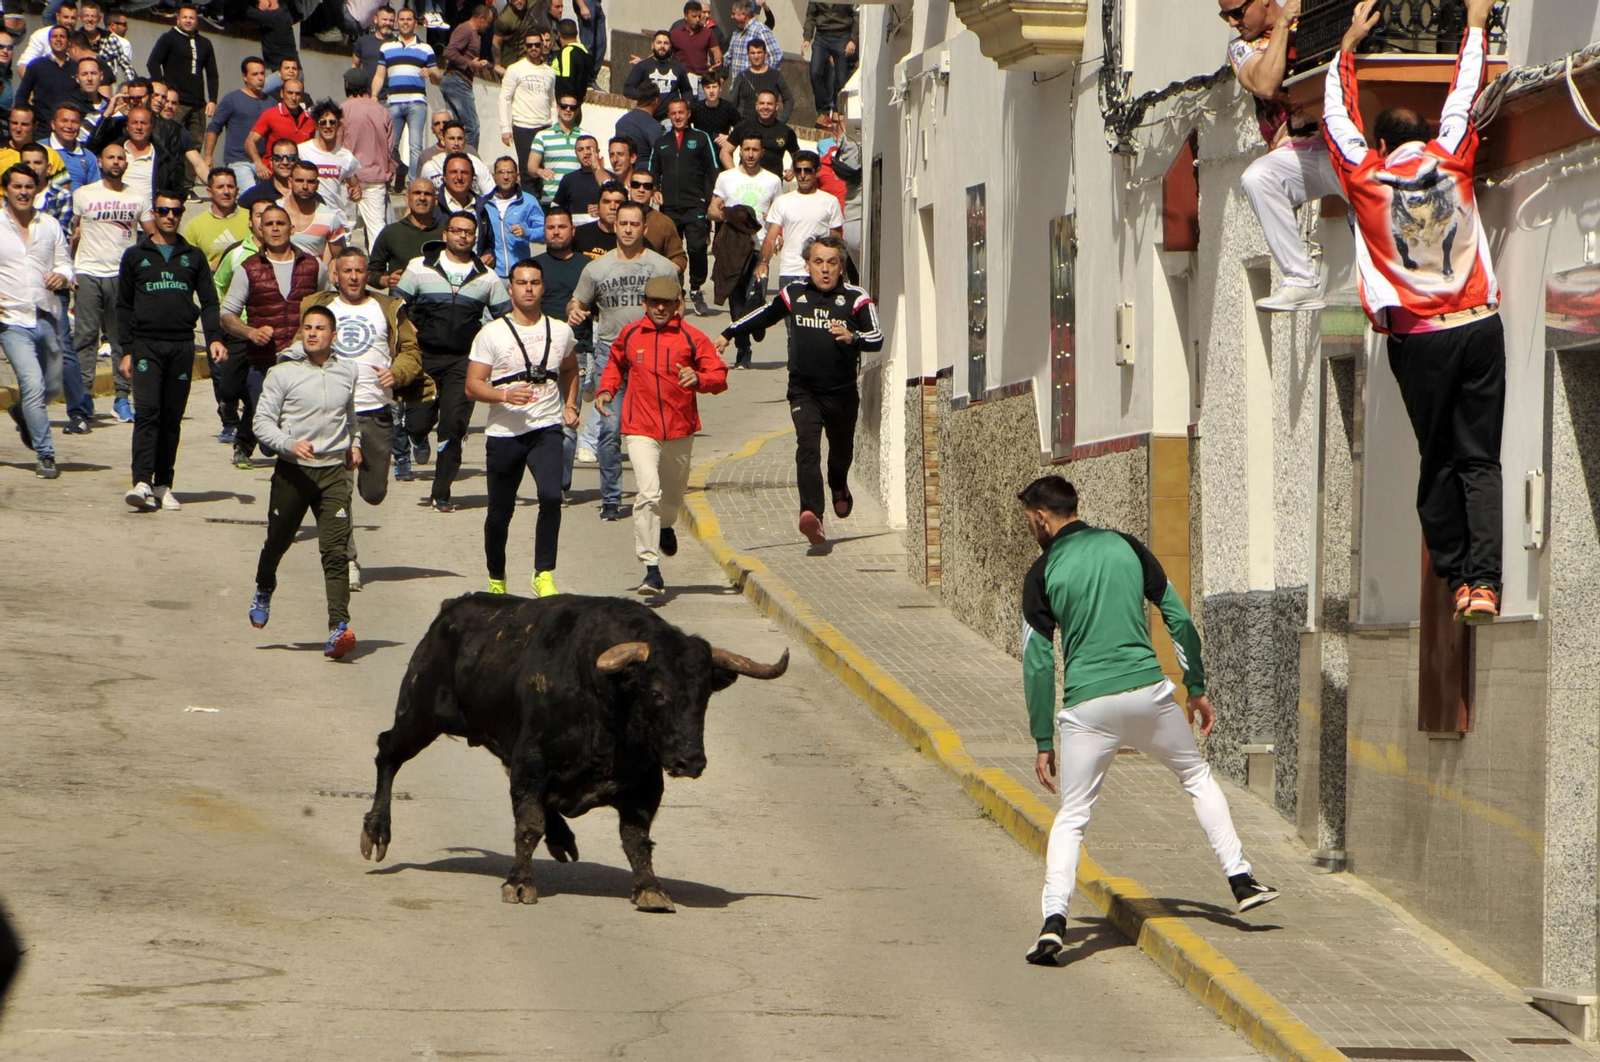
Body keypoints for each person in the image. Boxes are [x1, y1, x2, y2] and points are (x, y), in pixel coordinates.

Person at [1013, 474, 1279, 965]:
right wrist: (1194, 687)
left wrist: (1042, 737)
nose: (1030, 526)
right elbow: (1178, 618)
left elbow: (1036, 662)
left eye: (1029, 518)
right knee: (1196, 777)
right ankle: (1241, 880)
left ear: (1043, 517)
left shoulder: (1042, 570)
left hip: (1087, 708)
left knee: (1072, 818)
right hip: (1148, 695)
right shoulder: (1128, 547)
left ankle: (1054, 923)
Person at [1324, 0, 1503, 621]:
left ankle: (1456, 577)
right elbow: (1464, 94)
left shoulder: (1367, 178)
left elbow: (1334, 118)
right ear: (1423, 134)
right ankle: (1486, 584)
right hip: (1481, 325)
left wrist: (1345, 46)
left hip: (1421, 339)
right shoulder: (1452, 154)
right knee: (1480, 459)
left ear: (1380, 142)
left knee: (1438, 459)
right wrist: (1476, 24)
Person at [717, 235, 876, 543]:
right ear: (807, 265)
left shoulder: (856, 298)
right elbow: (763, 314)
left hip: (842, 392)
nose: (825, 270)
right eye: (818, 262)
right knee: (807, 448)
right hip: (804, 391)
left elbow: (877, 336)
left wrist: (853, 337)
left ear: (842, 267)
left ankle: (839, 483)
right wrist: (728, 332)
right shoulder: (795, 293)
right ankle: (812, 515)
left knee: (841, 452)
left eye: (832, 262)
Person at [301, 245, 429, 590]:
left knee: (373, 492)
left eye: (360, 271)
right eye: (347, 271)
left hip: (375, 411)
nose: (354, 277)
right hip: (333, 415)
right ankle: (347, 560)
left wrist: (397, 373)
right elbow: (301, 347)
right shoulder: (318, 308)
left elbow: (410, 351)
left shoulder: (387, 307)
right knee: (338, 493)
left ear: (367, 275)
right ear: (336, 275)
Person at [247, 305, 363, 660]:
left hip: (332, 474)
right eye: (307, 328)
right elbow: (261, 422)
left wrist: (354, 445)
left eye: (320, 328)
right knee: (278, 541)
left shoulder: (348, 370)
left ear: (334, 335)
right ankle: (264, 587)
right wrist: (288, 443)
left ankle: (338, 627)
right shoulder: (282, 373)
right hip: (293, 472)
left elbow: (350, 417)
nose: (312, 333)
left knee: (335, 552)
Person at [596, 274, 724, 593]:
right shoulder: (630, 335)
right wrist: (606, 390)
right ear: (645, 304)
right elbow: (615, 364)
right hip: (641, 428)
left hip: (680, 429)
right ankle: (651, 568)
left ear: (677, 304)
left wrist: (699, 378)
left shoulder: (692, 338)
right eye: (655, 303)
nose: (661, 308)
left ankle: (666, 525)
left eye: (667, 303)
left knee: (673, 496)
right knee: (648, 493)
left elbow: (719, 376)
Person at [465, 256, 577, 595]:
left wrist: (570, 405)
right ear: (510, 289)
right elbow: (472, 385)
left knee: (551, 496)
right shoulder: (492, 333)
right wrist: (503, 395)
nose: (528, 288)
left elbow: (570, 369)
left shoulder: (561, 330)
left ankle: (543, 573)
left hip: (546, 428)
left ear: (543, 288)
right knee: (500, 512)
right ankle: (497, 578)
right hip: (505, 434)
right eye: (522, 283)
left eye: (535, 282)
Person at [1225, 0, 1340, 312]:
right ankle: (1301, 279)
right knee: (1257, 177)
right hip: (1297, 152)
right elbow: (1264, 83)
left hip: (1338, 140)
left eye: (1236, 12)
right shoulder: (1240, 48)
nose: (1233, 22)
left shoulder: (1312, 21)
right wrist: (1280, 27)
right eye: (1227, 16)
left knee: (1366, 199)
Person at [117, 188, 227, 511]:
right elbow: (123, 306)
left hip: (181, 345)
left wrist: (215, 338)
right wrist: (126, 349)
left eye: (176, 211)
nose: (169, 217)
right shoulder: (136, 256)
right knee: (147, 413)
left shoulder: (193, 257)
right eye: (164, 211)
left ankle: (163, 484)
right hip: (146, 345)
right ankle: (141, 481)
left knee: (171, 417)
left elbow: (209, 301)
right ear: (155, 213)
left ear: (181, 215)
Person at [566, 199, 675, 521]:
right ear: (615, 226)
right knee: (610, 429)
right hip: (611, 355)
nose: (628, 229)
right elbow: (578, 300)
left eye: (634, 224)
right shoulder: (596, 268)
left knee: (657, 431)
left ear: (644, 227)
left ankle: (654, 491)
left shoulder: (661, 267)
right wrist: (574, 309)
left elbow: (676, 309)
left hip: (654, 357)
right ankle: (611, 497)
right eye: (622, 223)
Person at [395, 209, 510, 511]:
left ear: (475, 238)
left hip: (464, 361)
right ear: (445, 234)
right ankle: (416, 436)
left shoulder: (488, 278)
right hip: (424, 357)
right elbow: (396, 306)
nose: (462, 236)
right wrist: (406, 327)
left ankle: (442, 492)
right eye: (456, 230)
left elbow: (505, 320)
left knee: (454, 426)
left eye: (468, 232)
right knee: (418, 423)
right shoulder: (419, 267)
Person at [219, 202, 327, 468]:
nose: (275, 229)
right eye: (269, 224)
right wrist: (250, 332)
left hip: (303, 361)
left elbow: (327, 305)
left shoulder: (314, 266)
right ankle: (249, 443)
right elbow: (227, 315)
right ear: (260, 229)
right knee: (267, 439)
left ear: (292, 228)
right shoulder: (248, 268)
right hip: (264, 361)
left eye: (280, 223)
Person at [0, 162, 71, 479]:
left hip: (46, 315)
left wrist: (62, 275)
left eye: (29, 186)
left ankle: (22, 414)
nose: (23, 192)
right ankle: (46, 454)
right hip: (11, 321)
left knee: (53, 388)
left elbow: (66, 263)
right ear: (6, 190)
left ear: (37, 188)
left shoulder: (50, 225)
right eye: (17, 186)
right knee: (31, 384)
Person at [72, 141, 149, 427]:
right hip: (89, 272)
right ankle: (82, 397)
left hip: (122, 276)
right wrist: (70, 270)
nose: (116, 162)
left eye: (120, 158)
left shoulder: (138, 197)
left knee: (121, 340)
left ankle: (121, 397)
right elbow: (73, 233)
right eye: (110, 158)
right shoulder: (83, 194)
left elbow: (151, 235)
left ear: (126, 163)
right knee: (85, 337)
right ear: (100, 162)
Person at [182, 167, 250, 439]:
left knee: (249, 368)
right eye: (220, 187)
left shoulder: (249, 218)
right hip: (216, 306)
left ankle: (253, 415)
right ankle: (229, 419)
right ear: (208, 192)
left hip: (250, 308)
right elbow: (186, 267)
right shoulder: (196, 227)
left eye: (231, 186)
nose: (226, 191)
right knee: (220, 367)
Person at [709, 131, 779, 367]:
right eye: (746, 149)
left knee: (757, 293)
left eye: (755, 149)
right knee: (736, 298)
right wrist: (724, 214)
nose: (750, 154)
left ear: (762, 152)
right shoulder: (726, 178)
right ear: (740, 151)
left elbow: (779, 213)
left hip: (760, 246)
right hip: (733, 247)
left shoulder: (772, 180)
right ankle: (743, 349)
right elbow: (712, 209)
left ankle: (757, 320)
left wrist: (778, 235)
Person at [649, 97, 715, 315]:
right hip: (669, 208)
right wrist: (656, 191)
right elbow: (653, 170)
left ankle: (696, 289)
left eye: (681, 112)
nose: (677, 117)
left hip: (695, 205)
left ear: (688, 114)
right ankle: (677, 292)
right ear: (669, 116)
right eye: (673, 113)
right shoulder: (661, 141)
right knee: (670, 253)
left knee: (697, 248)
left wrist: (708, 199)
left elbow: (712, 170)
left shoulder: (701, 138)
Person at [756, 150, 842, 288]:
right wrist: (763, 263)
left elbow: (836, 241)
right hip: (789, 272)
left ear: (817, 171)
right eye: (798, 170)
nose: (802, 175)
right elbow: (771, 239)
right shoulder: (782, 201)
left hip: (819, 272)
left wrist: (839, 269)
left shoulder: (830, 202)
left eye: (807, 170)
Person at [145, 5, 219, 155]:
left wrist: (212, 99)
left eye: (191, 18)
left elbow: (212, 74)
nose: (188, 21)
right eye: (185, 17)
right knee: (170, 141)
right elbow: (153, 63)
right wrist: (162, 88)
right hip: (176, 101)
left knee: (194, 145)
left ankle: (188, 179)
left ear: (197, 21)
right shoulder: (169, 38)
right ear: (178, 19)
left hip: (198, 104)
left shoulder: (205, 43)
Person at [379, 7, 442, 180]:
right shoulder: (386, 47)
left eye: (409, 19)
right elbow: (379, 75)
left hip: (416, 102)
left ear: (415, 23)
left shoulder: (426, 48)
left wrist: (431, 73)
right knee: (390, 145)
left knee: (415, 146)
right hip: (393, 102)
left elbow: (437, 78)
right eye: (402, 19)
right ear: (397, 23)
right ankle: (392, 177)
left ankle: (413, 184)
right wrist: (373, 96)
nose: (405, 22)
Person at [339, 66, 395, 248]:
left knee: (344, 228)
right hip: (376, 177)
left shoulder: (342, 110)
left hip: (347, 178)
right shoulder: (382, 111)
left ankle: (342, 269)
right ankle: (379, 270)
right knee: (377, 228)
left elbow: (337, 147)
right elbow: (390, 148)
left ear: (347, 85)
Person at [499, 28, 555, 195]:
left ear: (543, 45)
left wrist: (555, 125)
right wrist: (505, 129)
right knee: (528, 171)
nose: (533, 48)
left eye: (537, 45)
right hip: (523, 126)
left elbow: (552, 101)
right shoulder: (515, 69)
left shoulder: (550, 72)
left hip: (545, 127)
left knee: (544, 169)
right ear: (525, 47)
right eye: (530, 45)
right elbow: (504, 98)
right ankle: (530, 205)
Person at [205, 56, 270, 191]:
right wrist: (208, 156)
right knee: (251, 198)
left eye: (262, 73)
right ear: (245, 77)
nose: (260, 77)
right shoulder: (232, 99)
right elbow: (214, 127)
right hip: (239, 161)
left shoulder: (272, 102)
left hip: (265, 163)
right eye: (255, 74)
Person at [476, 153, 544, 276]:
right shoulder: (483, 204)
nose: (505, 176)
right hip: (492, 272)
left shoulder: (528, 201)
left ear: (517, 176)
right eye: (501, 172)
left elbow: (545, 233)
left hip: (520, 271)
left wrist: (527, 232)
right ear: (494, 176)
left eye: (510, 172)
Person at [441, 3, 493, 150]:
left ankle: (456, 158)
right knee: (472, 127)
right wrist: (470, 64)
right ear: (481, 18)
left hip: (458, 80)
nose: (488, 26)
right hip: (457, 80)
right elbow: (449, 52)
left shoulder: (474, 33)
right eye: (488, 22)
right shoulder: (465, 29)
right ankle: (469, 159)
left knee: (457, 127)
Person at [281, 158, 350, 263]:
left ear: (317, 185)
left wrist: (325, 277)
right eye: (299, 180)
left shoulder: (330, 217)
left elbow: (339, 258)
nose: (305, 186)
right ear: (290, 182)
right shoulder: (275, 211)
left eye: (310, 182)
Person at [300, 100, 361, 218]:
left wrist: (357, 192)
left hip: (335, 217)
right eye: (323, 122)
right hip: (309, 215)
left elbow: (355, 186)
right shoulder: (302, 151)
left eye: (332, 122)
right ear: (317, 126)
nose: (328, 126)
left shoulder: (346, 157)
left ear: (338, 125)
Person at [244, 78, 311, 181]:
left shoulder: (309, 120)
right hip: (272, 176)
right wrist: (259, 164)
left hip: (297, 179)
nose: (293, 98)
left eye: (297, 94)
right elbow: (250, 141)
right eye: (290, 93)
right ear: (282, 94)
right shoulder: (270, 115)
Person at [802, 3, 856, 128]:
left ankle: (839, 111)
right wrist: (807, 38)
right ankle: (823, 111)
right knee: (815, 72)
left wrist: (853, 40)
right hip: (822, 36)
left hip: (842, 35)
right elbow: (811, 15)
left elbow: (855, 14)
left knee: (841, 78)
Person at [626, 169, 686, 278]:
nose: (641, 189)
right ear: (629, 188)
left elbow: (679, 259)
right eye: (636, 185)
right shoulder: (617, 219)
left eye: (647, 186)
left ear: (653, 191)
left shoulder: (665, 223)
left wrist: (659, 275)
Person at [528, 92, 582, 204]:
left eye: (572, 107)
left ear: (577, 110)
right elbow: (531, 166)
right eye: (564, 106)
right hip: (550, 199)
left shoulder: (586, 137)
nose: (568, 110)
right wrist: (540, 171)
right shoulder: (542, 136)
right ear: (558, 108)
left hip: (576, 198)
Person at [727, 89, 795, 175]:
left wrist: (793, 171)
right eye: (762, 103)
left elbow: (798, 156)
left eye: (769, 104)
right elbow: (725, 152)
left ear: (777, 106)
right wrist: (735, 174)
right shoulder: (743, 126)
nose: (765, 107)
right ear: (756, 106)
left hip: (773, 183)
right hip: (746, 183)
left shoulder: (786, 131)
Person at [623, 30, 691, 114]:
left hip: (669, 118)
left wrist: (685, 105)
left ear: (670, 46)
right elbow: (628, 89)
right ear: (652, 45)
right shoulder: (642, 66)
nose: (662, 46)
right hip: (647, 116)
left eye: (666, 43)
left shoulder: (679, 67)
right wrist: (644, 97)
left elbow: (686, 90)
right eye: (659, 42)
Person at [727, 38, 792, 124]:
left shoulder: (775, 75)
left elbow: (788, 99)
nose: (756, 56)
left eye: (759, 52)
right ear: (748, 55)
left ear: (765, 54)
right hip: (745, 125)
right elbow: (732, 104)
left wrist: (781, 121)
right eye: (753, 53)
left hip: (769, 125)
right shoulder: (741, 77)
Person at [420, 122, 493, 196]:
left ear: (465, 141)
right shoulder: (429, 167)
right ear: (443, 141)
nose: (456, 143)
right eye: (451, 138)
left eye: (460, 138)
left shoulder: (477, 165)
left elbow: (490, 195)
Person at [551, 132, 609, 223]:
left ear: (597, 152)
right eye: (580, 149)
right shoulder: (568, 180)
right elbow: (556, 208)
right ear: (576, 154)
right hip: (576, 233)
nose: (586, 153)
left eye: (589, 148)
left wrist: (604, 209)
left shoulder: (609, 178)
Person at [668, 1, 721, 89]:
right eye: (694, 16)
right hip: (681, 79)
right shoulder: (675, 34)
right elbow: (663, 50)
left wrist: (718, 60)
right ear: (686, 16)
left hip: (701, 79)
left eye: (699, 16)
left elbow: (716, 50)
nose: (697, 19)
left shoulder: (708, 33)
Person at [724, 0, 780, 81]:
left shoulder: (761, 30)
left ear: (743, 15)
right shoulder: (736, 33)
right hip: (737, 87)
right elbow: (728, 57)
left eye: (734, 13)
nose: (731, 17)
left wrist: (763, 77)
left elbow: (776, 56)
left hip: (755, 86)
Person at [691, 71, 738, 166]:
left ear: (720, 88)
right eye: (708, 87)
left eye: (714, 87)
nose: (711, 91)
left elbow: (741, 128)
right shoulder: (696, 108)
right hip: (701, 156)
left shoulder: (728, 107)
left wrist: (729, 138)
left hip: (722, 154)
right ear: (703, 89)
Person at [49, 102, 99, 189]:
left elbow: (95, 191)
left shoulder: (89, 157)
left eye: (74, 122)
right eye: (64, 121)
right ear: (53, 124)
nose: (69, 126)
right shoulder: (40, 149)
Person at [238, 134, 297, 209]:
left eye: (291, 158)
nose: (285, 162)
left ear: (297, 161)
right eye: (279, 158)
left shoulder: (305, 190)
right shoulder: (257, 194)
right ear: (271, 162)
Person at [243, 0, 298, 76]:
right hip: (285, 71)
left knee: (260, 86)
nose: (257, 7)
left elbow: (246, 11)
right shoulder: (281, 15)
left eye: (259, 3)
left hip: (287, 73)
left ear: (269, 2)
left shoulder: (275, 16)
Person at [569, 177, 620, 256]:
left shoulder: (633, 239)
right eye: (606, 202)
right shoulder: (578, 235)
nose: (612, 207)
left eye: (618, 202)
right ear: (598, 206)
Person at [613, 82, 664, 161]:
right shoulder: (652, 125)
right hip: (644, 170)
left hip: (623, 170)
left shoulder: (621, 122)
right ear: (656, 101)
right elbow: (660, 155)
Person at [352, 4, 394, 87]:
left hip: (391, 95)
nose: (388, 23)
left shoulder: (397, 43)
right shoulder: (363, 41)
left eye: (391, 20)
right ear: (376, 19)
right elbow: (355, 65)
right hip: (366, 94)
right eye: (384, 19)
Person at [551, 18, 591, 102]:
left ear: (559, 34)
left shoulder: (567, 52)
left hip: (566, 104)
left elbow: (567, 81)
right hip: (577, 101)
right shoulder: (584, 51)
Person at [415, 108, 454, 174]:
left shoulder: (468, 151)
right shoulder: (425, 155)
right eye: (437, 124)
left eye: (445, 123)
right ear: (432, 129)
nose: (441, 127)